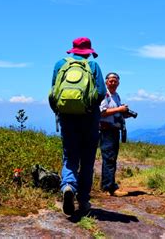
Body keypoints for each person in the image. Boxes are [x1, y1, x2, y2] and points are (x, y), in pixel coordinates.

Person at [50, 37, 106, 215]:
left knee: (70, 156)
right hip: (89, 119)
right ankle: (83, 200)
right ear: (89, 51)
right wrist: (89, 108)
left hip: (67, 118)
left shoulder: (61, 64)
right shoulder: (93, 66)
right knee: (87, 160)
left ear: (72, 49)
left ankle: (68, 186)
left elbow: (53, 93)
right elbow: (101, 93)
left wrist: (59, 111)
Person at [99, 72, 129, 197]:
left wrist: (124, 113)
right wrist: (119, 110)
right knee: (109, 158)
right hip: (106, 130)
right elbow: (102, 112)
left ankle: (108, 185)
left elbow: (113, 112)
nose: (113, 83)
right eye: (110, 80)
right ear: (106, 82)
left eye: (115, 81)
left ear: (118, 83)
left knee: (111, 158)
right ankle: (109, 188)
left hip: (114, 130)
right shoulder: (104, 94)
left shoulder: (116, 96)